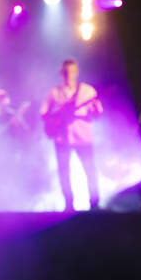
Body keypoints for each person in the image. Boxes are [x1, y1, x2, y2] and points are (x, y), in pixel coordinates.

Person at [40, 58, 103, 211]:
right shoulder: (54, 93)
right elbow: (44, 114)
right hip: (62, 139)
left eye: (72, 71)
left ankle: (94, 204)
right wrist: (56, 119)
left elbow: (97, 115)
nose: (69, 75)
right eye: (67, 72)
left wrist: (95, 110)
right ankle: (69, 205)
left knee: (90, 170)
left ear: (77, 72)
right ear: (62, 73)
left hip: (83, 137)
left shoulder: (88, 91)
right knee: (64, 172)